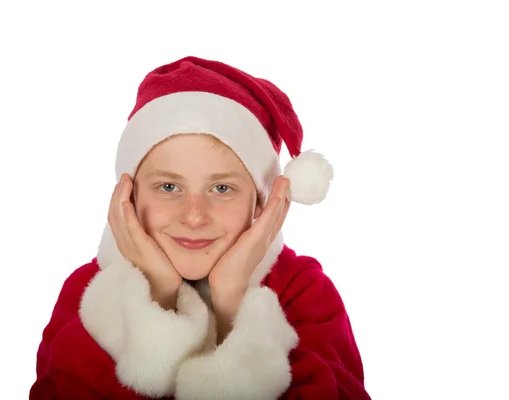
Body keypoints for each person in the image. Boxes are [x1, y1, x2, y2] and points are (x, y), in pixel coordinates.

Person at [30, 56, 371, 400]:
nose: (194, 217)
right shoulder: (87, 291)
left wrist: (233, 305)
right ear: (129, 196)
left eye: (221, 189)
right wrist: (155, 294)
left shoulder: (305, 292)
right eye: (168, 187)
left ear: (261, 202)